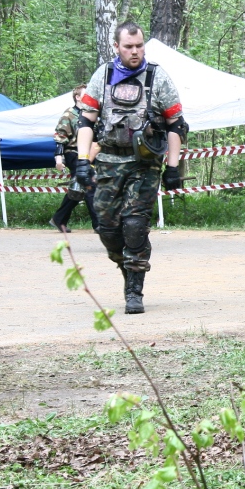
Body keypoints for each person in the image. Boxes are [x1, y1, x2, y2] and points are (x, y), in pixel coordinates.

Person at [74, 21, 187, 314]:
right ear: (116, 47)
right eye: (128, 47)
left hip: (144, 164)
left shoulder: (157, 77)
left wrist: (172, 168)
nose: (135, 52)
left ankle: (134, 291)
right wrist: (83, 161)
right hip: (108, 161)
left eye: (139, 46)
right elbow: (86, 121)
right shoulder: (104, 75)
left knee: (135, 224)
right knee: (106, 227)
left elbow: (176, 124)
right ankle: (128, 266)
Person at [50, 85, 100, 233]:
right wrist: (59, 159)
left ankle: (59, 219)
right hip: (74, 153)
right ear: (77, 97)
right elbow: (60, 137)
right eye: (85, 95)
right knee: (90, 184)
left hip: (91, 154)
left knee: (78, 189)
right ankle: (98, 224)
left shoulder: (92, 114)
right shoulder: (70, 114)